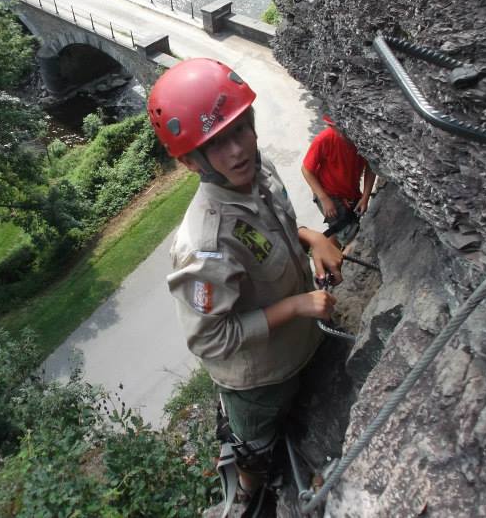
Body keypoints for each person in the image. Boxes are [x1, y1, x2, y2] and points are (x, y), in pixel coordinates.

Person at [147, 58, 343, 515]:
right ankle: (245, 496)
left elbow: (270, 231)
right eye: (215, 144)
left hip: (302, 342)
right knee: (254, 446)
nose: (237, 150)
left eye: (240, 129)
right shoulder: (205, 246)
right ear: (189, 161)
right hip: (261, 379)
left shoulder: (258, 172)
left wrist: (311, 238)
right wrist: (296, 306)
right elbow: (210, 339)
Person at [301, 116, 376, 248]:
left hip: (351, 193)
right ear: (331, 126)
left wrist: (365, 196)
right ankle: (343, 258)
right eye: (338, 129)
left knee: (340, 228)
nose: (343, 134)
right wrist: (324, 199)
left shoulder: (362, 139)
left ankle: (327, 254)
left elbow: (372, 166)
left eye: (345, 129)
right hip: (328, 194)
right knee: (350, 237)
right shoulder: (324, 140)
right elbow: (306, 170)